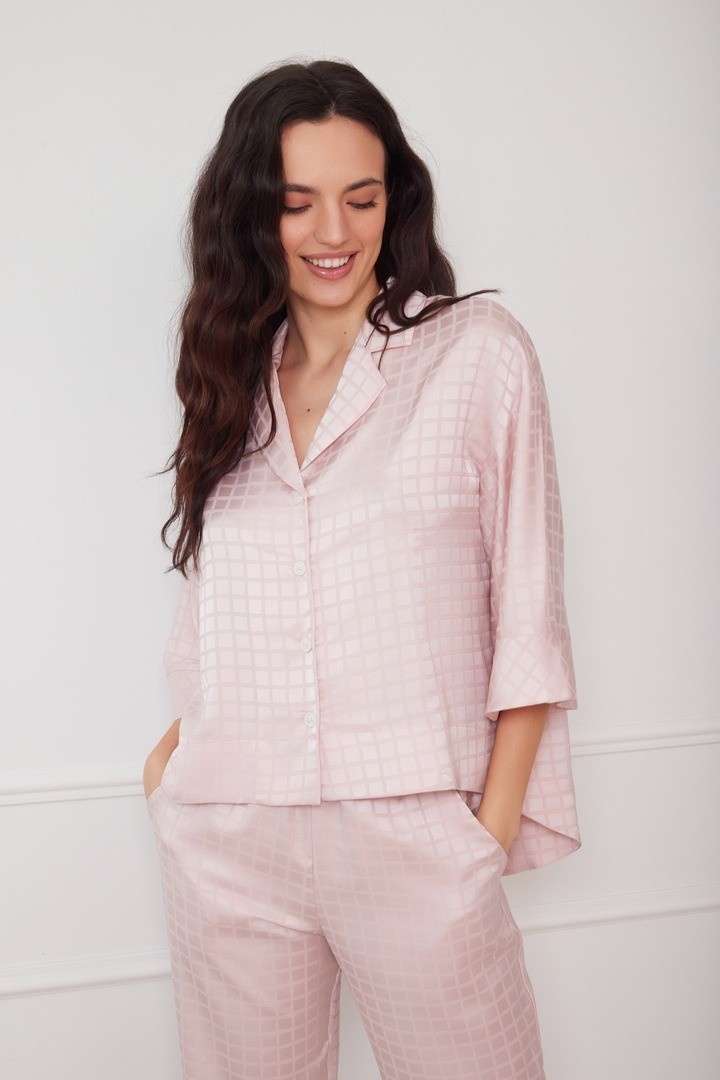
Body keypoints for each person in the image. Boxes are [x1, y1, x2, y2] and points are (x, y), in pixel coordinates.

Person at [143, 57, 581, 1080]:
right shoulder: (228, 381)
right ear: (252, 214)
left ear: (396, 201)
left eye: (361, 197)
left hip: (416, 828)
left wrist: (484, 832)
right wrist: (172, 768)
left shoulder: (476, 352)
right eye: (296, 202)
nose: (332, 230)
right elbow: (211, 613)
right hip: (232, 829)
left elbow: (529, 609)